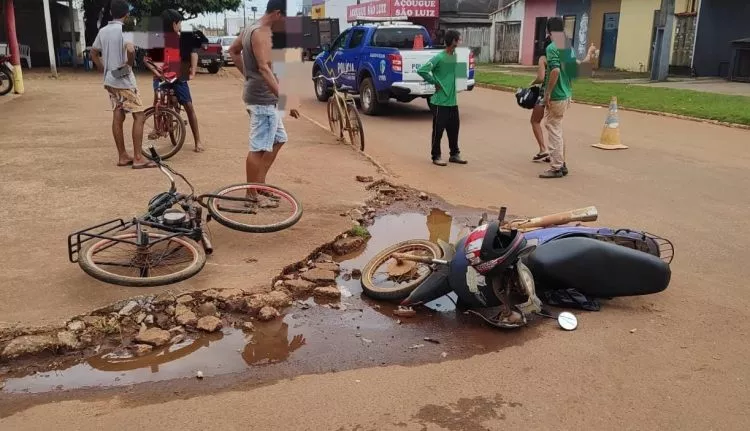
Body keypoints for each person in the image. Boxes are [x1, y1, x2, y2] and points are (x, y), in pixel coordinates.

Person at [227, 0, 300, 207]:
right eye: (285, 18)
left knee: (279, 139)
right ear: (277, 13)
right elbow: (264, 68)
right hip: (262, 100)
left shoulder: (251, 28)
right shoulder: (260, 33)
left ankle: (259, 185)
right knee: (258, 148)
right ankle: (251, 195)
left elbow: (233, 50)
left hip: (262, 97)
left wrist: (248, 76)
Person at [90, 0, 155, 169]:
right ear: (126, 14)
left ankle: (122, 156)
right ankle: (138, 158)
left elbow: (93, 52)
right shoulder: (126, 30)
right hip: (123, 79)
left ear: (112, 13)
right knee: (139, 116)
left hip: (110, 79)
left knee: (118, 115)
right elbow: (131, 50)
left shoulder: (103, 31)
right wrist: (129, 65)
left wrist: (102, 69)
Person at [529, 38, 597, 165]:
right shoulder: (565, 56)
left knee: (536, 121)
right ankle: (559, 159)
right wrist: (589, 52)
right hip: (565, 95)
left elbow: (541, 77)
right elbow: (582, 67)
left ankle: (545, 151)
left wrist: (532, 84)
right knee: (557, 128)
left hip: (548, 94)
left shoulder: (543, 58)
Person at [144, 9, 204, 152]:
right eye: (180, 23)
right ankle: (157, 127)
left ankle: (198, 140)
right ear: (173, 24)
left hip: (179, 77)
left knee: (188, 106)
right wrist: (157, 73)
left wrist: (192, 72)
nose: (181, 25)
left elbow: (193, 54)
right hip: (161, 76)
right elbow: (148, 60)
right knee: (157, 100)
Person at [538, 17, 581, 179]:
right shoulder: (567, 47)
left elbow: (555, 71)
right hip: (566, 94)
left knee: (553, 128)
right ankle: (561, 163)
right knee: (557, 128)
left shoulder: (552, 47)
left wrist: (547, 93)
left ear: (548, 31)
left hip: (556, 95)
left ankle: (556, 167)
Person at [417, 30, 467, 166]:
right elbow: (422, 70)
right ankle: (436, 156)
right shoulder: (439, 57)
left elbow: (460, 75)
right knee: (438, 131)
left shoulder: (457, 57)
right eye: (458, 40)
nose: (460, 42)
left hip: (452, 101)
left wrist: (461, 80)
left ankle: (454, 154)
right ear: (453, 41)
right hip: (440, 102)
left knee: (454, 130)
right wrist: (434, 82)